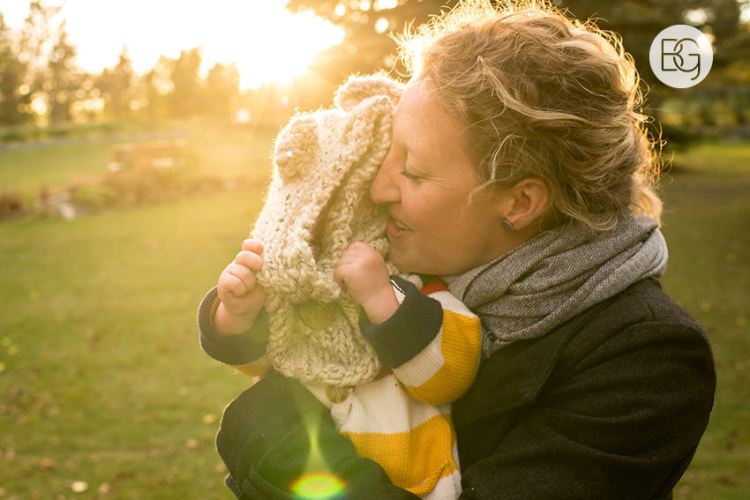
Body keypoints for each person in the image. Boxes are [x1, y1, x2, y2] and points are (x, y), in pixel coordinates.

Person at [198, 1, 716, 498]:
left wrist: (268, 433)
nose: (379, 188)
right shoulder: (399, 267)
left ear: (520, 203)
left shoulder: (647, 360)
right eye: (390, 153)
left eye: (413, 170)